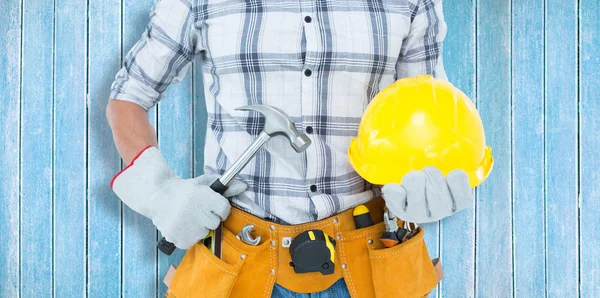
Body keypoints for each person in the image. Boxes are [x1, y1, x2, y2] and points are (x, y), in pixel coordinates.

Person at [106, 0, 471, 296]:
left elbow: (427, 111)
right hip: (238, 260)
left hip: (374, 256)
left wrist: (431, 181)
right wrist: (161, 193)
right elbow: (128, 99)